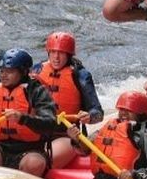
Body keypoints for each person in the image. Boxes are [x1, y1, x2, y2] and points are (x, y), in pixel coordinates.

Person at [0, 48, 59, 177]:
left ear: (23, 72)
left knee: (34, 163)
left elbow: (50, 123)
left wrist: (23, 119)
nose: (3, 75)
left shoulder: (37, 92)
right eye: (2, 71)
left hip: (29, 150)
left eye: (10, 72)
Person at [31, 31, 104, 168]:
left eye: (61, 53)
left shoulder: (81, 76)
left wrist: (89, 116)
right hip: (37, 130)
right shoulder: (37, 70)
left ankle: (89, 141)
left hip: (66, 134)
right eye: (53, 52)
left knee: (42, 162)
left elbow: (98, 113)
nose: (56, 57)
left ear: (69, 55)